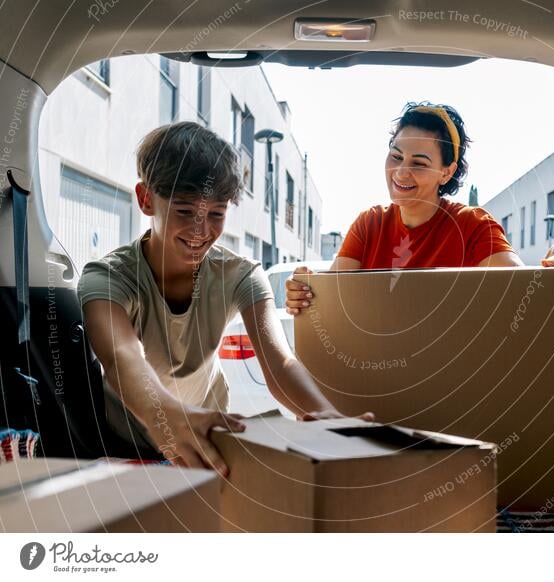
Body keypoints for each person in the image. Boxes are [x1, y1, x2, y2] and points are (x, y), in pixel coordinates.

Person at [78, 122, 372, 477]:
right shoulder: (107, 277)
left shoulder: (240, 274)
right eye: (185, 211)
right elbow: (122, 357)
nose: (201, 232)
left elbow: (279, 363)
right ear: (146, 199)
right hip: (123, 446)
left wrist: (328, 415)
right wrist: (168, 416)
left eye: (216, 214)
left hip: (210, 443)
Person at [285, 102, 554, 315]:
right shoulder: (368, 224)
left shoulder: (473, 225)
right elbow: (334, 297)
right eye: (396, 156)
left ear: (446, 172)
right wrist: (304, 291)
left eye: (419, 163)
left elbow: (522, 289)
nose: (401, 172)